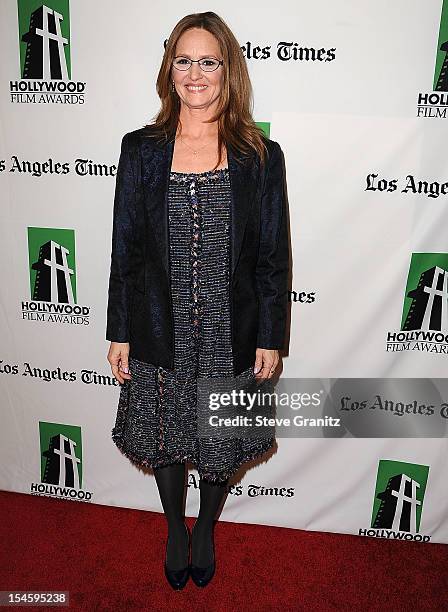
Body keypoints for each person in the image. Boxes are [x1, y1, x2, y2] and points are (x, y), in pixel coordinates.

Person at [106, 11, 290, 590]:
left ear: (227, 70)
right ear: (170, 69)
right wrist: (119, 329)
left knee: (220, 438)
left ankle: (205, 527)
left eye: (207, 60)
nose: (194, 72)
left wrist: (270, 335)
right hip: (159, 324)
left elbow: (272, 257)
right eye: (183, 59)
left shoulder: (261, 156)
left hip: (227, 328)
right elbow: (126, 247)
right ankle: (172, 528)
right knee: (165, 434)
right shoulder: (140, 151)